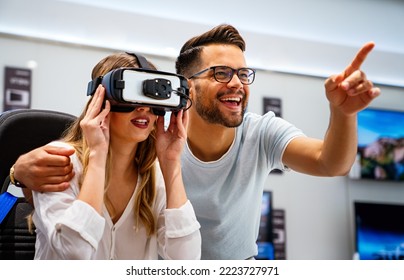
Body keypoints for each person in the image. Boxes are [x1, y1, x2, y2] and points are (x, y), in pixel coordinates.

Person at [11, 24, 380, 259]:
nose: (237, 83)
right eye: (221, 73)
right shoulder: (143, 145)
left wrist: (344, 113)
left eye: (243, 73)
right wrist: (16, 174)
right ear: (185, 86)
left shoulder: (252, 134)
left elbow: (332, 163)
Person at [25, 52, 201, 259]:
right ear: (100, 100)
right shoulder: (61, 162)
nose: (144, 108)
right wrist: (97, 156)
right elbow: (74, 253)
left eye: (152, 95)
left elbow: (186, 261)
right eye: (132, 94)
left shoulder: (154, 175)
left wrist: (171, 163)